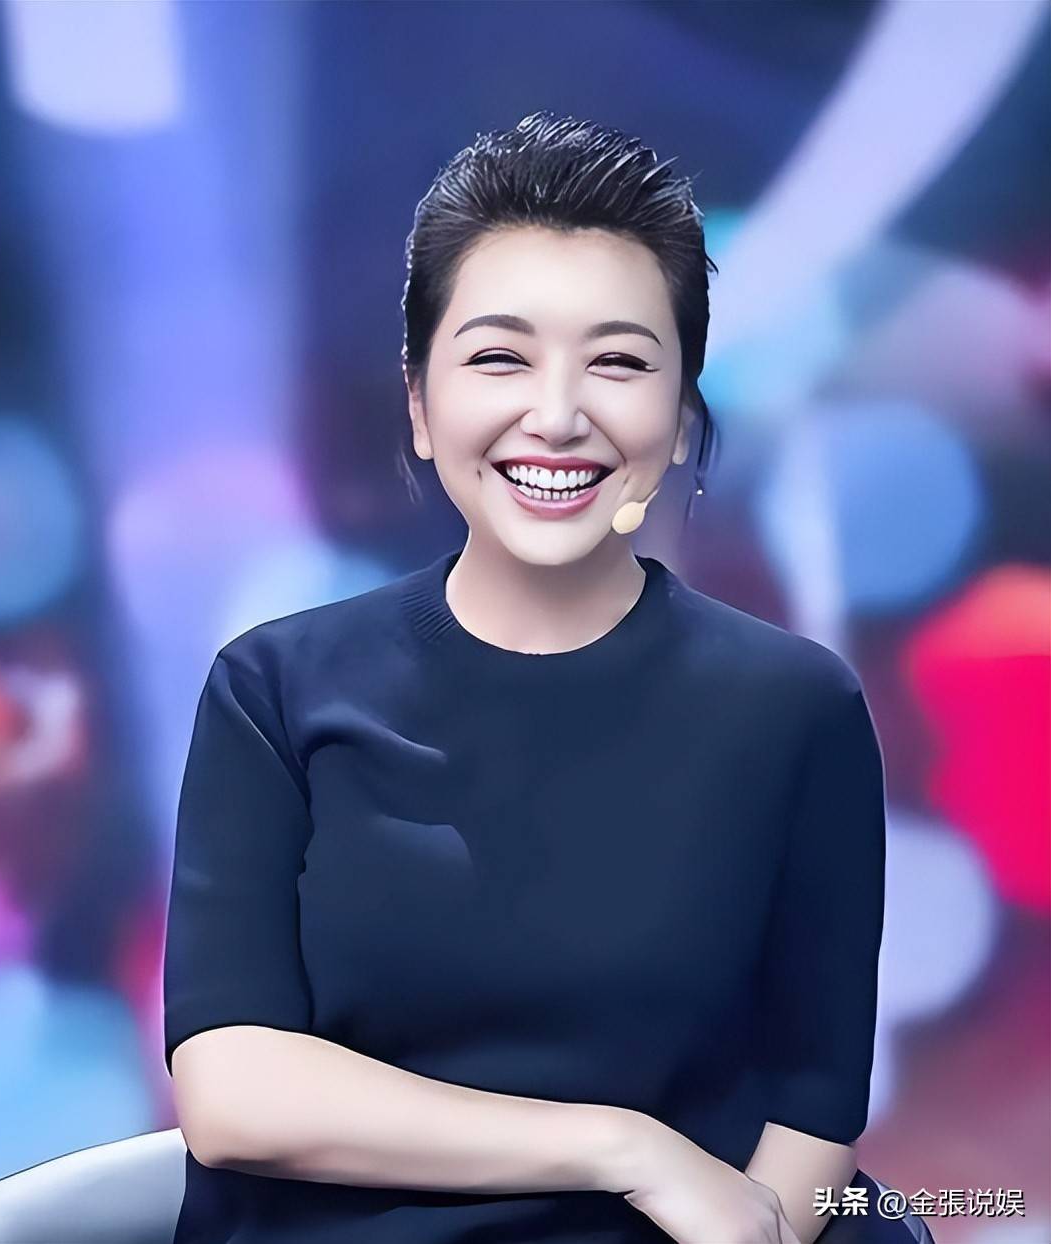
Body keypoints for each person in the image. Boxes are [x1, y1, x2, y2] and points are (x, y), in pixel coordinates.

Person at [163, 111, 929, 1244]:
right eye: (500, 358)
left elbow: (813, 1116)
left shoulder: (795, 708)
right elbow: (232, 1092)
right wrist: (622, 1147)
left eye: (619, 361)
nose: (559, 416)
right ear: (420, 406)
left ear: (682, 417)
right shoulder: (273, 687)